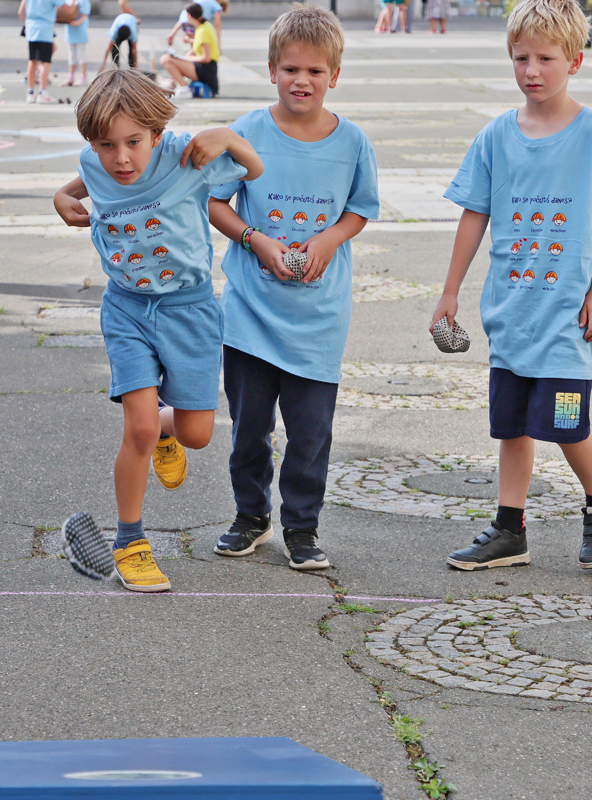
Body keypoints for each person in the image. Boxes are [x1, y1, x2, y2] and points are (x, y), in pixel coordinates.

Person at [432, 0, 592, 572]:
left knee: (566, 422)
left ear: (574, 60)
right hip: (511, 312)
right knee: (513, 425)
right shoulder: (496, 135)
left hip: (567, 315)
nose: (532, 71)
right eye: (521, 58)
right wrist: (449, 293)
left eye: (545, 58)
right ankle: (508, 529)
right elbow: (473, 214)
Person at [53, 69, 261, 591]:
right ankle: (130, 542)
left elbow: (255, 170)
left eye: (133, 143)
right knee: (137, 429)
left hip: (189, 311)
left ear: (156, 134)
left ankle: (167, 428)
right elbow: (82, 177)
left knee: (193, 434)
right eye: (106, 145)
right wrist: (62, 196)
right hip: (126, 309)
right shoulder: (95, 162)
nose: (120, 158)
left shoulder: (186, 157)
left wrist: (231, 137)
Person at [207, 5, 378, 571]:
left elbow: (359, 211)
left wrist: (328, 241)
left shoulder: (352, 142)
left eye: (314, 72)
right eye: (290, 70)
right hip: (252, 315)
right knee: (249, 430)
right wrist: (257, 240)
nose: (301, 81)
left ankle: (302, 528)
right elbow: (215, 203)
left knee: (309, 435)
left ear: (335, 75)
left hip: (319, 320)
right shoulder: (248, 132)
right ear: (271, 70)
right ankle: (250, 516)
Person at [158, 3, 218, 99]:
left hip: (206, 69)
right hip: (207, 68)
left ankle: (184, 88)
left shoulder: (202, 30)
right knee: (172, 61)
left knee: (165, 59)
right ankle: (177, 86)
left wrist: (187, 58)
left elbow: (206, 58)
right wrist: (189, 44)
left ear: (189, 15)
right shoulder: (205, 26)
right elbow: (199, 46)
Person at [19, 0, 64, 104]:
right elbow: (67, 8)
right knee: (45, 61)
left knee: (32, 60)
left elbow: (21, 11)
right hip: (44, 29)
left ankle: (30, 93)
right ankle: (42, 93)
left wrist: (26, 25)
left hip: (32, 28)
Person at [62, 0, 91, 86]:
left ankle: (83, 77)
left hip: (80, 31)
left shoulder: (83, 1)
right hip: (69, 32)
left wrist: (76, 23)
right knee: (71, 56)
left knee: (81, 55)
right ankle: (70, 77)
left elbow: (84, 15)